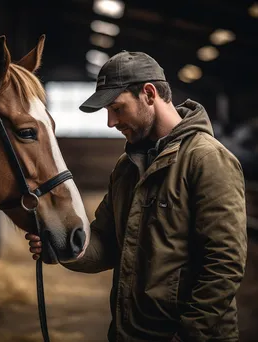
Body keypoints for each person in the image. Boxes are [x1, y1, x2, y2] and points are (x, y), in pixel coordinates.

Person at [26, 51, 247, 342]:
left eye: (117, 108)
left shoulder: (206, 159)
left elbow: (224, 264)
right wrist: (62, 247)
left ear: (149, 93)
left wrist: (189, 335)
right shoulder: (126, 168)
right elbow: (105, 243)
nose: (110, 122)